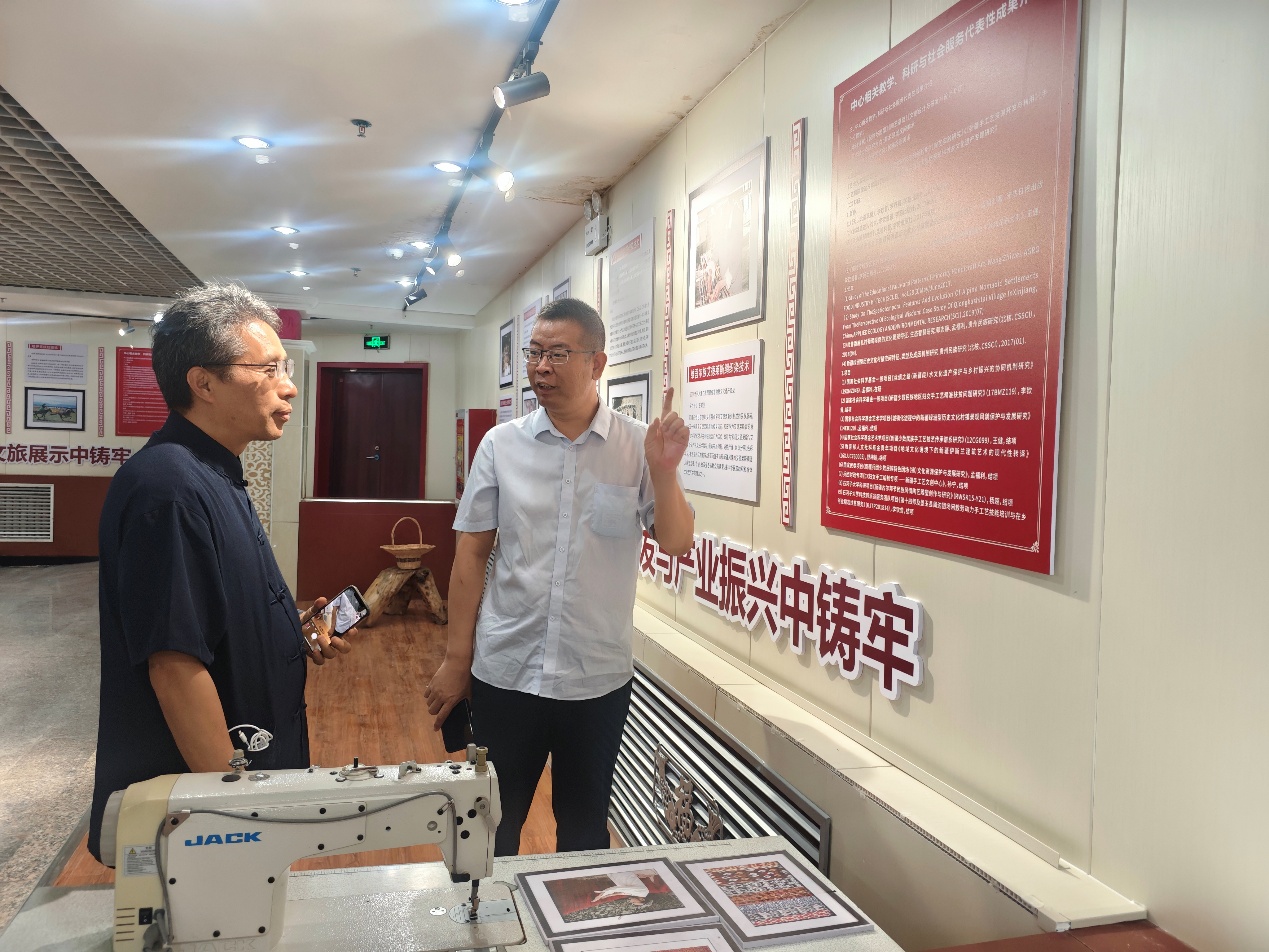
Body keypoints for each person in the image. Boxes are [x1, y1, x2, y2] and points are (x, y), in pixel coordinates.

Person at [87, 283, 351, 863]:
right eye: (268, 369)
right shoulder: (169, 489)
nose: (289, 385)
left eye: (285, 368)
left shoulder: (213, 472)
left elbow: (214, 612)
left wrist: (288, 631)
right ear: (203, 383)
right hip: (202, 815)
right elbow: (174, 662)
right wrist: (236, 817)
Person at [424, 297, 693, 856]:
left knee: (584, 830)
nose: (541, 367)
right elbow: (470, 555)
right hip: (506, 671)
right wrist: (456, 659)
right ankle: (484, 914)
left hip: (596, 679)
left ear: (597, 363)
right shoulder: (501, 445)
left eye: (558, 354)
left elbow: (676, 541)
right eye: (534, 353)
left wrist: (665, 473)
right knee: (490, 827)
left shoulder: (637, 447)